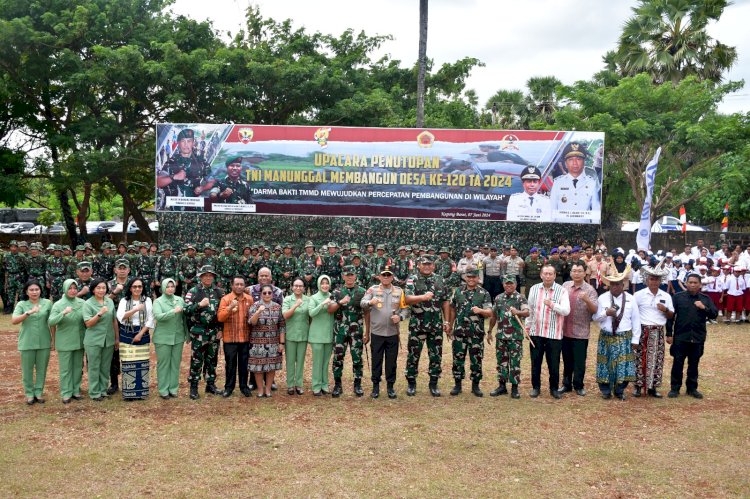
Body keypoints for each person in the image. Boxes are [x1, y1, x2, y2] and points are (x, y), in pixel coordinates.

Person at [404, 256, 450, 397]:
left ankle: (433, 383)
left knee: (436, 355)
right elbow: (406, 299)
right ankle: (411, 383)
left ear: (433, 266)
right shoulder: (412, 279)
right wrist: (422, 297)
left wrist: (447, 321)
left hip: (436, 325)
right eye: (424, 264)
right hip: (418, 325)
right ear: (418, 265)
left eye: (429, 264)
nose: (427, 266)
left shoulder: (440, 280)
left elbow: (445, 301)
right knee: (413, 355)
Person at [667, 274, 718, 399]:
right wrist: (669, 334)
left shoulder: (705, 299)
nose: (693, 284)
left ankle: (692, 388)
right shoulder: (678, 297)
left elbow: (714, 314)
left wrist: (704, 307)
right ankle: (675, 388)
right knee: (678, 363)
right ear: (686, 283)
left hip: (698, 337)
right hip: (681, 336)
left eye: (695, 282)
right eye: (690, 282)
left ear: (700, 284)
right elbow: (670, 317)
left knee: (694, 363)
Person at [593, 266, 640, 400]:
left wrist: (635, 339)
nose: (615, 287)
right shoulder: (602, 298)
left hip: (624, 336)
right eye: (612, 284)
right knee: (605, 363)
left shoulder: (631, 298)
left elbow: (636, 320)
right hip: (606, 336)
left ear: (623, 284)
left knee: (623, 364)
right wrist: (605, 313)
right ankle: (606, 391)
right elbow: (595, 318)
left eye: (618, 284)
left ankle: (620, 391)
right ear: (609, 285)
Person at [525, 265, 570, 399]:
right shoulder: (534, 289)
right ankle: (536, 387)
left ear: (555, 276)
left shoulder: (561, 291)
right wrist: (528, 328)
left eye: (551, 274)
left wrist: (552, 304)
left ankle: (554, 389)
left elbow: (566, 311)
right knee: (536, 362)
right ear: (541, 275)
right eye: (546, 273)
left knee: (553, 363)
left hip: (554, 334)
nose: (548, 276)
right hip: (536, 332)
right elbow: (530, 310)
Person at [361, 266, 407, 399]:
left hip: (392, 333)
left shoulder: (399, 291)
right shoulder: (373, 290)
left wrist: (400, 317)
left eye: (389, 275)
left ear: (392, 277)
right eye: (383, 275)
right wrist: (370, 301)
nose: (386, 278)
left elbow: (405, 309)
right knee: (376, 360)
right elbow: (362, 303)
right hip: (377, 333)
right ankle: (375, 386)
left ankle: (390, 387)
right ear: (379, 277)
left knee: (391, 362)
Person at [447, 269, 493, 397]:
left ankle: (475, 386)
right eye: (469, 277)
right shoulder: (458, 291)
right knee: (457, 359)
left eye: (474, 277)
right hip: (459, 332)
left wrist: (480, 310)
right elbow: (452, 308)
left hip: (476, 333)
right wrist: (450, 325)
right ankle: (457, 385)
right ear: (465, 278)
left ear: (478, 279)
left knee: (476, 359)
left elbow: (490, 312)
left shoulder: (484, 293)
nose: (471, 279)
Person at [633, 264, 674, 398]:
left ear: (660, 281)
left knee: (657, 359)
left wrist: (665, 310)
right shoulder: (639, 295)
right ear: (646, 280)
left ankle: (653, 387)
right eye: (652, 279)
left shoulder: (666, 296)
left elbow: (671, 315)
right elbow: (633, 314)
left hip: (658, 331)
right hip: (643, 330)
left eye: (657, 279)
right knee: (640, 359)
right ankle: (638, 386)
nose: (654, 281)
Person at [184, 265, 224, 399]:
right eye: (205, 275)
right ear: (200, 277)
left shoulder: (219, 292)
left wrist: (220, 329)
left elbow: (222, 313)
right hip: (199, 331)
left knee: (212, 359)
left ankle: (210, 384)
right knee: (197, 360)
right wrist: (199, 305)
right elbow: (186, 310)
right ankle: (194, 387)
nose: (208, 278)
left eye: (210, 275)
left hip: (214, 332)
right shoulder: (193, 291)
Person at [559, 263, 598, 396]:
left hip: (581, 332)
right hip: (564, 331)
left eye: (579, 271)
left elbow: (594, 311)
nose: (576, 273)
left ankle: (579, 385)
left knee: (579, 361)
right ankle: (566, 384)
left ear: (584, 273)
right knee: (566, 359)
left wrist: (587, 300)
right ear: (570, 273)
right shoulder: (565, 287)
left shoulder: (590, 290)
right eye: (574, 271)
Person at [12, 280, 52, 405]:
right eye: (31, 290)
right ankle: (29, 394)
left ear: (41, 290)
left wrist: (54, 340)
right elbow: (14, 320)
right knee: (27, 369)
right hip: (27, 341)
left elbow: (52, 321)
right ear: (26, 292)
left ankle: (38, 392)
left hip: (44, 341)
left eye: (37, 289)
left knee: (42, 369)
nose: (34, 292)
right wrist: (28, 312)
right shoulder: (22, 304)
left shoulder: (47, 303)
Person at [488, 275, 529, 398]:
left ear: (515, 284)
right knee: (501, 362)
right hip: (501, 337)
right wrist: (489, 331)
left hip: (515, 337)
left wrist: (518, 312)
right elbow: (494, 316)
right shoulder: (499, 298)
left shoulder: (520, 298)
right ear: (503, 285)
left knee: (515, 362)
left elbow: (527, 312)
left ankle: (515, 387)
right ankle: (502, 386)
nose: (509, 285)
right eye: (507, 283)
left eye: (511, 283)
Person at [328, 266, 366, 397]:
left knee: (357, 358)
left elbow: (367, 312)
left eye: (352, 275)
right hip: (340, 331)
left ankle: (357, 384)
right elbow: (330, 309)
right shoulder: (337, 291)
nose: (349, 277)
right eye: (347, 275)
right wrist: (340, 302)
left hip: (356, 331)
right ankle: (338, 385)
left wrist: (367, 331)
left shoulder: (362, 291)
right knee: (338, 357)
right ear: (343, 276)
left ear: (355, 276)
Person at [116, 277, 155, 400]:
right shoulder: (124, 300)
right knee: (128, 362)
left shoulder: (148, 300)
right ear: (130, 288)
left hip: (142, 332)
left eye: (140, 286)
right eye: (134, 286)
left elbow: (151, 319)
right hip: (127, 332)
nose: (137, 289)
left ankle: (141, 392)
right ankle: (129, 393)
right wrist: (135, 309)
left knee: (142, 363)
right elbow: (120, 317)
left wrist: (140, 333)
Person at [48, 279, 86, 404]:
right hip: (65, 341)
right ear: (65, 289)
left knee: (77, 367)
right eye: (70, 288)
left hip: (79, 340)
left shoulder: (82, 302)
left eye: (75, 288)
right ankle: (66, 392)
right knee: (65, 369)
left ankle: (75, 390)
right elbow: (51, 321)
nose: (72, 290)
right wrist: (63, 313)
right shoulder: (58, 304)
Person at [217, 276, 254, 398]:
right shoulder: (226, 299)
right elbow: (220, 317)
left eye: (241, 284)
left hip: (245, 338)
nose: (239, 286)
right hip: (230, 338)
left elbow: (252, 317)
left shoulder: (249, 299)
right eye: (236, 284)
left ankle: (244, 386)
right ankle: (229, 387)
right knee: (231, 364)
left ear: (244, 286)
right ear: (232, 285)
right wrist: (230, 308)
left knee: (244, 364)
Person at [83, 278, 119, 401]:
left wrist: (116, 338)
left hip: (108, 339)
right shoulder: (88, 303)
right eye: (98, 288)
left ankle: (103, 390)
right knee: (94, 366)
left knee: (105, 366)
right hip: (93, 340)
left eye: (103, 288)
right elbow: (88, 323)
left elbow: (114, 320)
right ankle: (94, 392)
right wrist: (99, 313)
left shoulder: (109, 301)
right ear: (93, 289)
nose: (101, 290)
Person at [248, 284, 286, 398]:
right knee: (258, 368)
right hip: (257, 342)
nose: (267, 295)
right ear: (261, 294)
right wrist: (258, 312)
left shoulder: (277, 307)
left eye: (269, 293)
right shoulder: (255, 306)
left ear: (273, 294)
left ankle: (268, 389)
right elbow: (251, 322)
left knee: (271, 367)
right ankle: (260, 390)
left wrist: (282, 343)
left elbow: (282, 326)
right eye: (265, 293)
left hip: (273, 342)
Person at [152, 278, 187, 399]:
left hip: (178, 337)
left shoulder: (180, 300)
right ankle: (163, 390)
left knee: (175, 364)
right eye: (168, 286)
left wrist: (187, 334)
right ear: (162, 288)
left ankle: (173, 389)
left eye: (172, 286)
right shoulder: (158, 302)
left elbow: (184, 319)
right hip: (163, 337)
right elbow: (158, 317)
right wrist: (173, 311)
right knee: (164, 364)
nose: (170, 288)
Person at [550, 141, 601, 223]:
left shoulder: (591, 183)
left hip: (584, 229)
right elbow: (552, 210)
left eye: (578, 159)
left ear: (584, 162)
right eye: (570, 160)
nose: (574, 163)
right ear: (565, 164)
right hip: (561, 230)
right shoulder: (557, 183)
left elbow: (595, 210)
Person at [308, 275, 335, 396]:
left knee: (325, 362)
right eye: (322, 283)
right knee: (317, 362)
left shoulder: (332, 296)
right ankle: (316, 385)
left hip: (328, 334)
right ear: (319, 284)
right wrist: (322, 304)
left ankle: (324, 384)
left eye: (327, 283)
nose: (325, 285)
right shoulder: (313, 298)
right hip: (317, 335)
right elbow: (311, 313)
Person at [282, 279, 310, 395]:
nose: (298, 288)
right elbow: (285, 315)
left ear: (304, 288)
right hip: (291, 334)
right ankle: (290, 385)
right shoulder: (288, 299)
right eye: (296, 286)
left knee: (300, 361)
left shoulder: (308, 300)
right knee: (290, 361)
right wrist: (295, 305)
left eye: (300, 286)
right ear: (292, 287)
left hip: (303, 334)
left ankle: (299, 384)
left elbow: (311, 315)